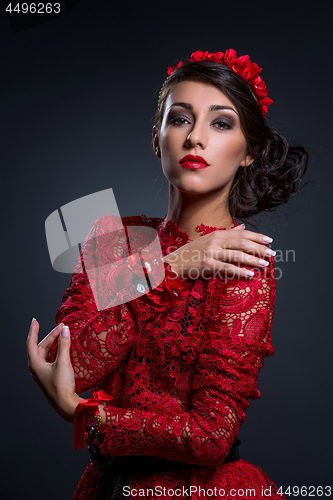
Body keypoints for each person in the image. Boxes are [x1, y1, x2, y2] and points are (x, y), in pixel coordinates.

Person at [27, 49, 308, 500]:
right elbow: (75, 366)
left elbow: (210, 437)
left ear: (248, 153)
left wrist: (89, 417)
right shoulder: (112, 239)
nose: (196, 137)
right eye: (180, 119)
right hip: (105, 486)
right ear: (157, 140)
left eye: (221, 123)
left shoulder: (244, 262)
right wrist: (170, 265)